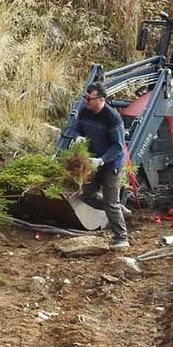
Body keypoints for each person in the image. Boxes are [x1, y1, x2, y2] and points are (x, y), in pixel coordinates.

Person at [70, 84, 130, 250]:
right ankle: (118, 211)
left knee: (111, 203)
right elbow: (75, 129)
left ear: (101, 100)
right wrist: (78, 137)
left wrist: (102, 160)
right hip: (94, 163)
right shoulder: (84, 112)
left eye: (89, 99)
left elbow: (118, 146)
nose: (86, 101)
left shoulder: (112, 118)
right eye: (85, 98)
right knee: (86, 195)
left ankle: (122, 238)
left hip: (112, 165)